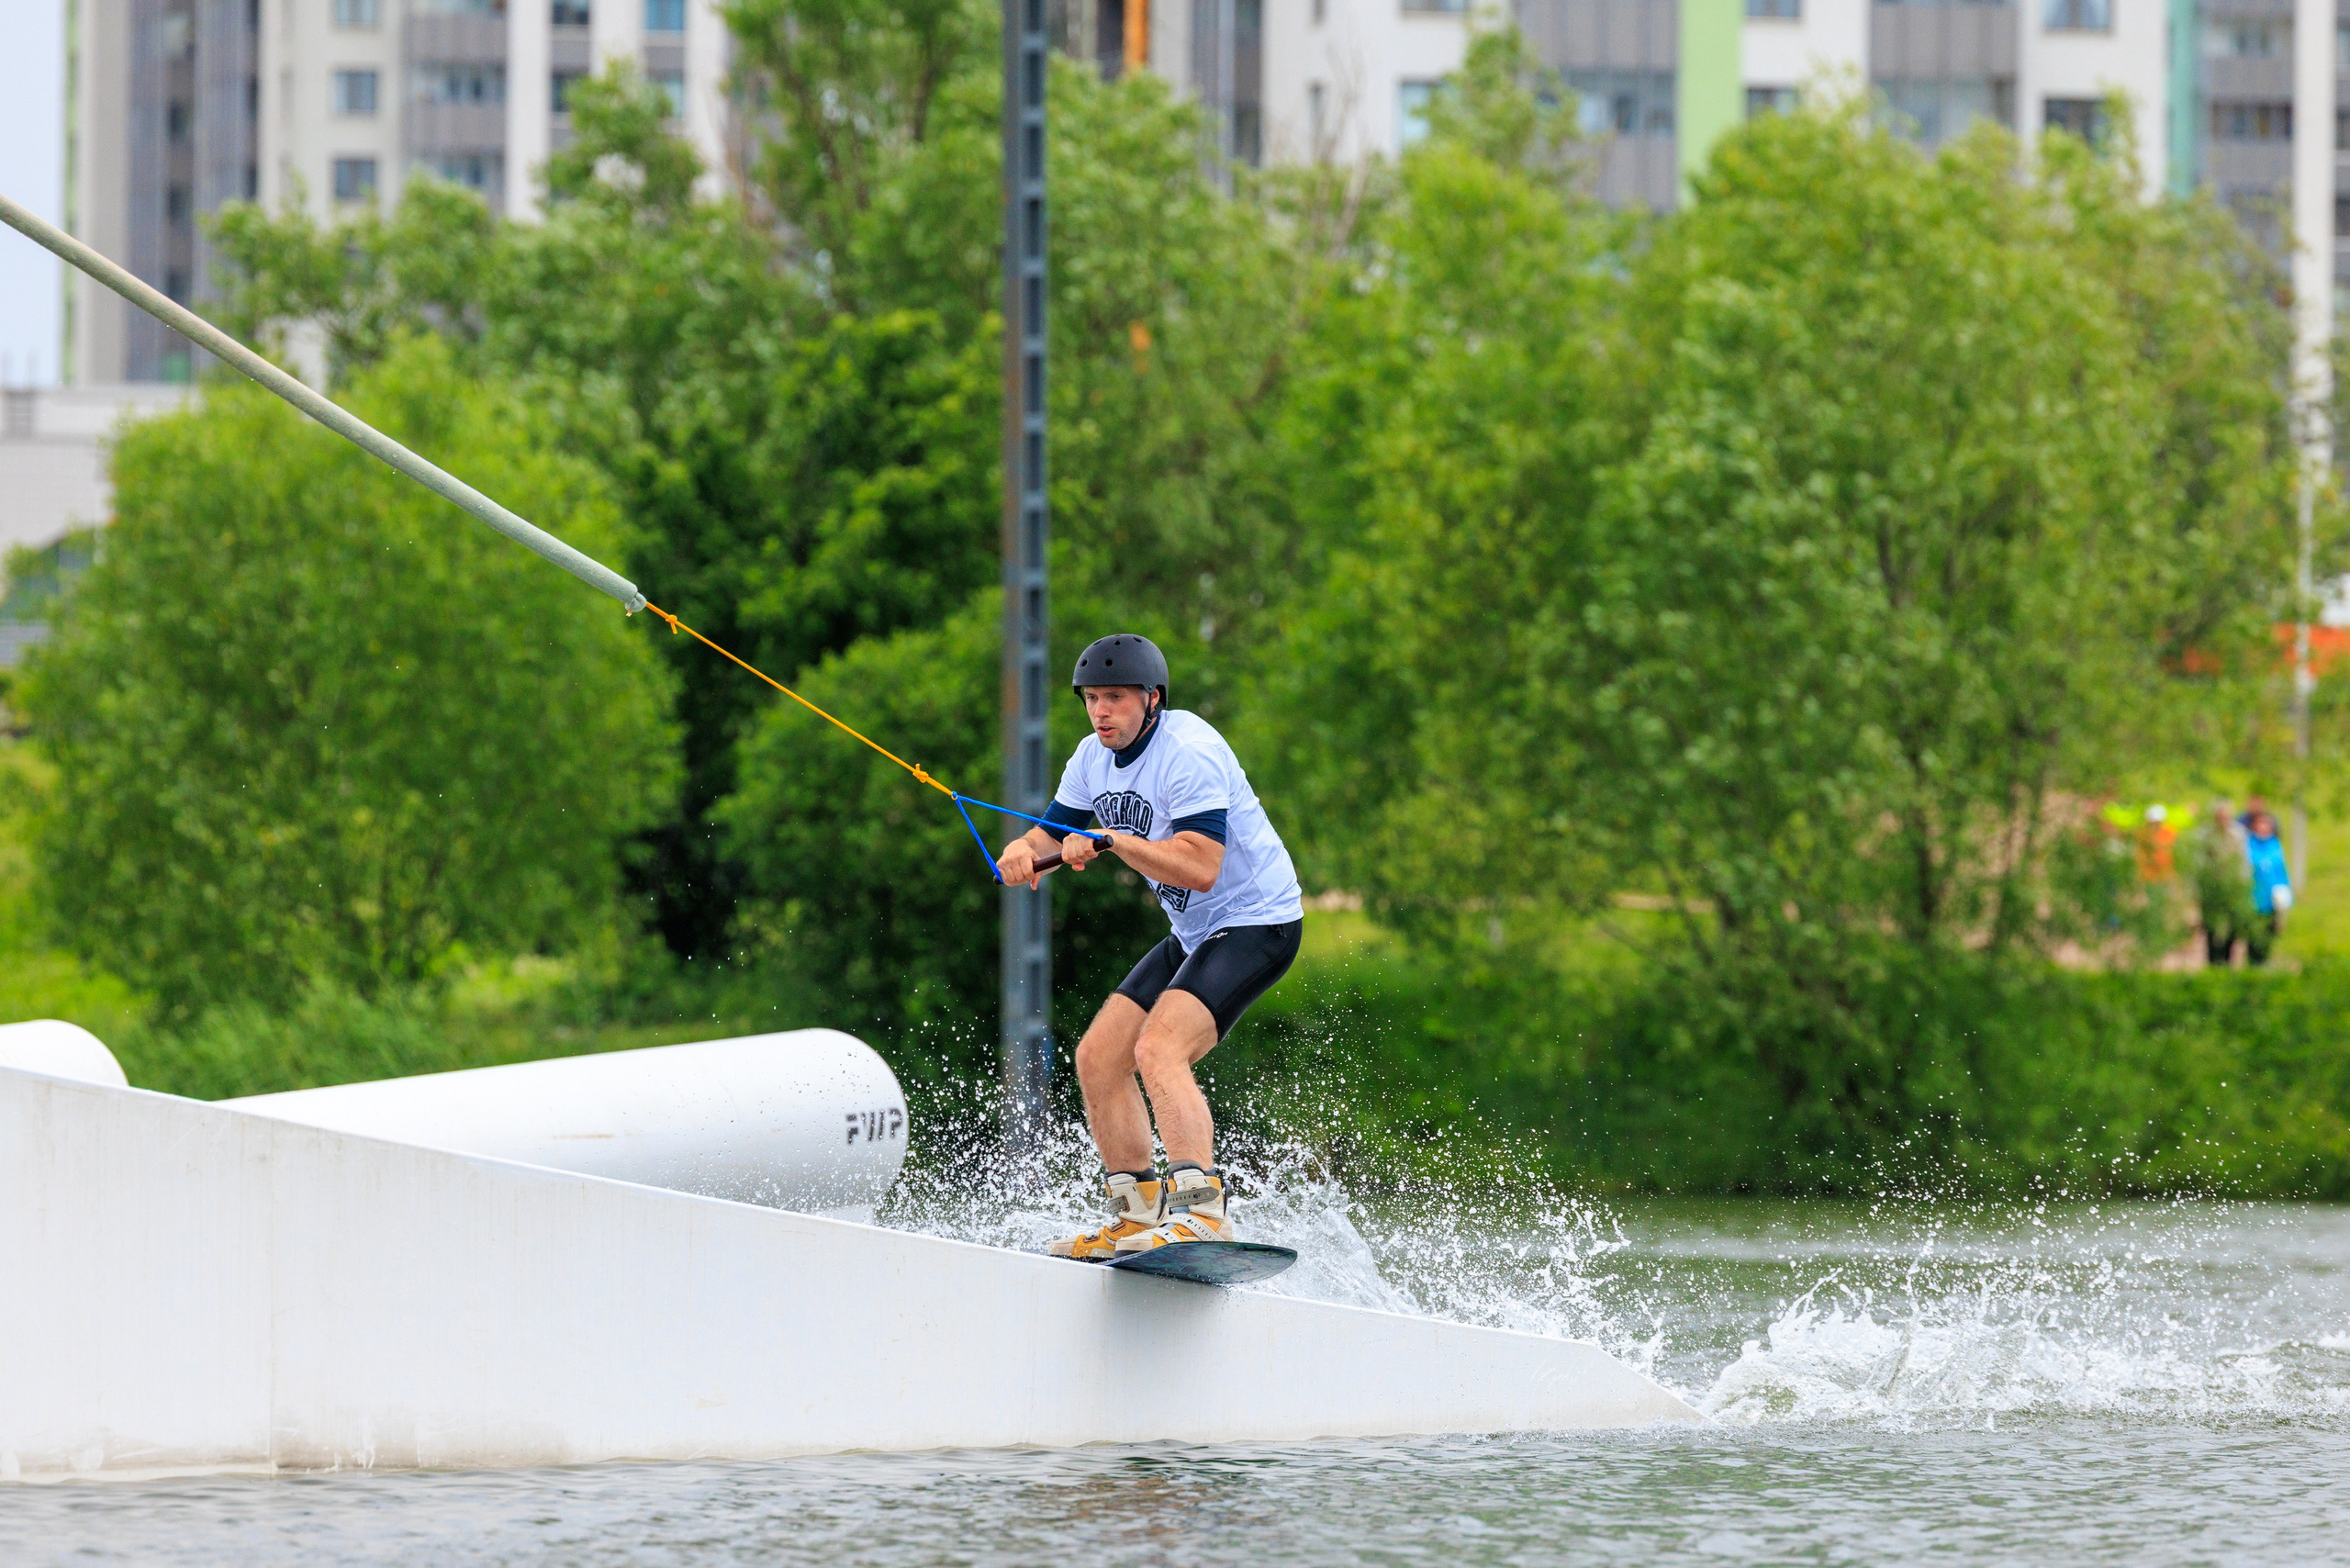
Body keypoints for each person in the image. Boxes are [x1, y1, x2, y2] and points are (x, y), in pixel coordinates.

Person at [994, 634, 1304, 1260]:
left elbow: (1201, 868)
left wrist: (1109, 841)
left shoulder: (1188, 751)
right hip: (1194, 933)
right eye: (1091, 699)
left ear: (1152, 700)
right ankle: (1136, 1219)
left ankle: (1203, 1216)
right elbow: (1050, 835)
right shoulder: (1090, 757)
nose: (1100, 712)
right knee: (1098, 1057)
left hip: (1258, 921)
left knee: (1159, 1048)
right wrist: (1022, 854)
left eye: (1115, 698)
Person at [2187, 799, 2249, 967]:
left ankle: (2228, 963)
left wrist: (2243, 887)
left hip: (2232, 891)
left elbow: (2243, 863)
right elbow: (2198, 865)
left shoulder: (2238, 835)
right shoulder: (2205, 836)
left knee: (2231, 931)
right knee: (2211, 930)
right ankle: (2213, 964)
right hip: (2212, 890)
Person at [2244, 808, 2292, 968]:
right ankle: (2252, 968)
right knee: (2253, 939)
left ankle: (2263, 967)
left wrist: (2285, 894)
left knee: (2269, 937)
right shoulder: (2249, 845)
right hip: (2253, 900)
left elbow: (2281, 872)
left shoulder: (2275, 845)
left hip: (2272, 901)